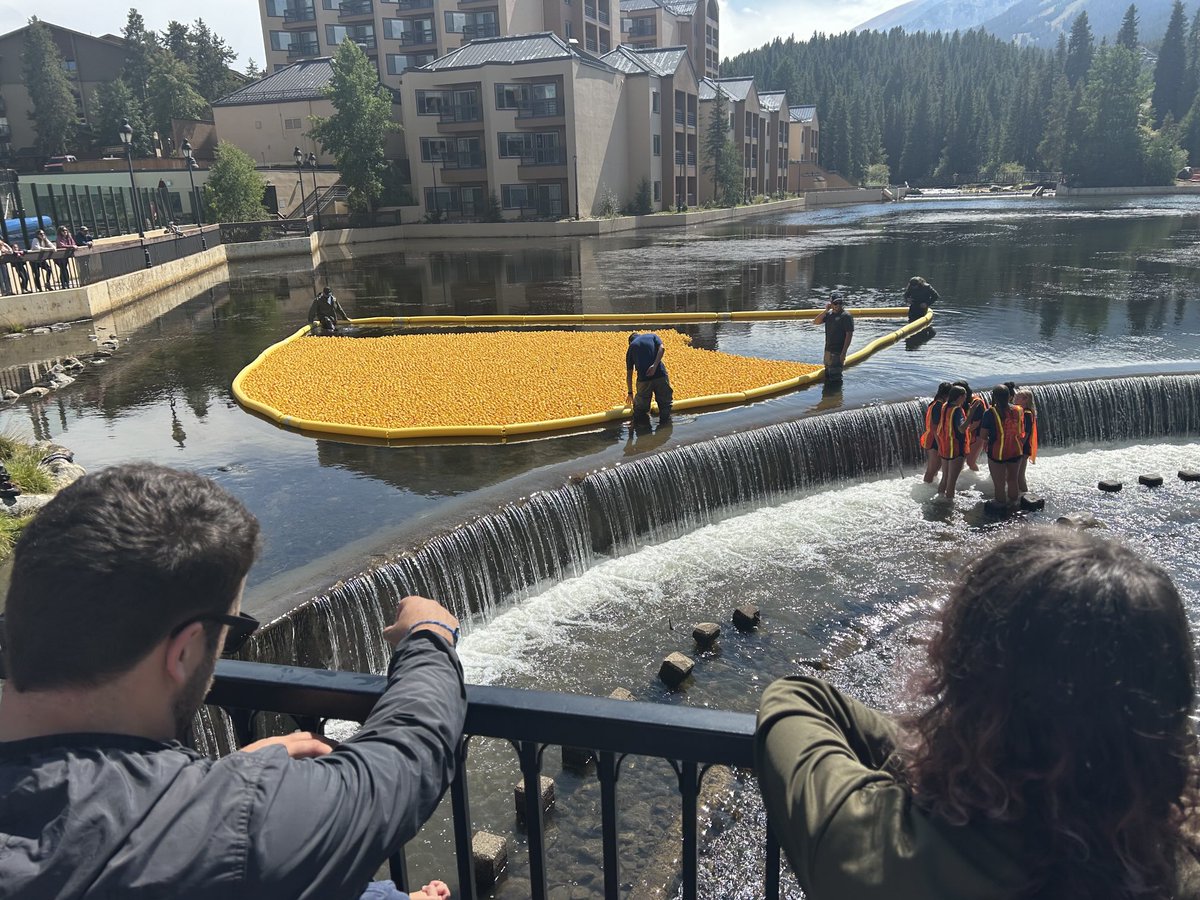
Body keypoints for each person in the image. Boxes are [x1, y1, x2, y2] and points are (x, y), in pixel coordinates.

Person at [0, 464, 465, 900]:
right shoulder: (233, 835)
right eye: (231, 631)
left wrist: (215, 784)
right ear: (183, 652)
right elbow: (407, 756)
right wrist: (429, 635)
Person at [757, 529, 1200, 900]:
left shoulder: (878, 853)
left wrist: (927, 751)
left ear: (966, 688)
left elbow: (794, 698)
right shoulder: (1178, 874)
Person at [978, 383, 1025, 507]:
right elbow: (1021, 431)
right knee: (1013, 480)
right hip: (1016, 450)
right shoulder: (1019, 410)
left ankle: (1001, 507)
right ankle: (1014, 505)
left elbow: (983, 435)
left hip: (997, 452)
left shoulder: (990, 412)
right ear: (1009, 396)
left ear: (994, 397)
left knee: (999, 484)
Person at [626, 331, 673, 424]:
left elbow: (629, 374)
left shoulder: (631, 347)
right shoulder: (653, 336)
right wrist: (654, 366)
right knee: (665, 405)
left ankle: (644, 432)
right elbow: (662, 348)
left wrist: (630, 393)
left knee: (641, 410)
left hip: (644, 380)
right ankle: (665, 428)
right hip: (660, 375)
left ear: (630, 342)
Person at [934, 384, 967, 500]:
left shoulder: (944, 406)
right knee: (951, 482)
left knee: (945, 477)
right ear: (960, 397)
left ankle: (939, 500)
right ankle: (948, 508)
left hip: (945, 446)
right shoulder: (957, 410)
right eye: (964, 397)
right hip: (956, 448)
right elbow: (961, 429)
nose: (965, 400)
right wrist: (971, 413)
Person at [812, 293, 854, 381]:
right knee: (827, 376)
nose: (838, 305)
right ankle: (829, 395)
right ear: (831, 304)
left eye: (840, 303)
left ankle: (836, 394)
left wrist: (843, 353)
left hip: (838, 352)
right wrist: (825, 310)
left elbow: (849, 335)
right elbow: (815, 322)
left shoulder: (846, 316)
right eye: (835, 303)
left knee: (835, 379)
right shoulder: (829, 314)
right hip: (828, 350)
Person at [919, 382, 951, 483]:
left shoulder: (935, 404)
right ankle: (926, 488)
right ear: (947, 394)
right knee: (932, 469)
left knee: (935, 468)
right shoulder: (938, 406)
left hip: (932, 439)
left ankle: (931, 485)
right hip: (934, 441)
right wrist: (940, 445)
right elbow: (935, 427)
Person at [1014, 388, 1038, 494]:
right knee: (1017, 474)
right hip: (1020, 447)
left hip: (1023, 448)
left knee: (1020, 475)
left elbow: (1026, 433)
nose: (1015, 398)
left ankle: (1025, 495)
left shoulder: (1027, 413)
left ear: (1025, 399)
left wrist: (1019, 447)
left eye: (1018, 397)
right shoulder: (1021, 412)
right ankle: (1021, 493)